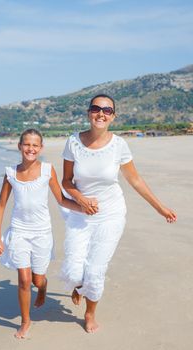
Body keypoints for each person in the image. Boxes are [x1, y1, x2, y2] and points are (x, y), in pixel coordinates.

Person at [60, 94, 177, 333]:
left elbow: (134, 180)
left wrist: (160, 207)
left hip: (111, 214)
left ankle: (90, 313)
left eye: (107, 110)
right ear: (88, 112)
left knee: (94, 270)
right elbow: (66, 181)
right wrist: (81, 199)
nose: (101, 113)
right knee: (73, 273)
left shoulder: (119, 145)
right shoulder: (73, 142)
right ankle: (80, 286)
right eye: (96, 108)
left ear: (113, 116)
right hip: (81, 215)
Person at [0, 129, 82, 339]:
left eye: (35, 145)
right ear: (19, 146)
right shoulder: (11, 173)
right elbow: (0, 205)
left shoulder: (47, 171)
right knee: (23, 279)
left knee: (37, 279)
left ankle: (43, 287)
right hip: (19, 231)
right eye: (27, 144)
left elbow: (61, 199)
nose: (30, 149)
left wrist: (83, 207)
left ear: (41, 148)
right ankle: (26, 320)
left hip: (42, 233)